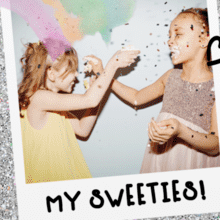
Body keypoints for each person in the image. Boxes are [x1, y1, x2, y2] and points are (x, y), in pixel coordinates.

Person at [91, 9, 220, 172]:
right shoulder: (170, 77)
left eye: (178, 34)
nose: (169, 41)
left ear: (204, 40)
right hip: (161, 161)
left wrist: (181, 130)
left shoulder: (217, 88)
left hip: (193, 163)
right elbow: (136, 97)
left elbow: (216, 145)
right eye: (169, 36)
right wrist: (102, 74)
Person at [18, 42, 139, 184]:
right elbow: (90, 100)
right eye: (71, 70)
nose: (76, 74)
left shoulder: (54, 107)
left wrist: (96, 95)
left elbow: (83, 130)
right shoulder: (38, 98)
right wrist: (113, 64)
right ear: (51, 74)